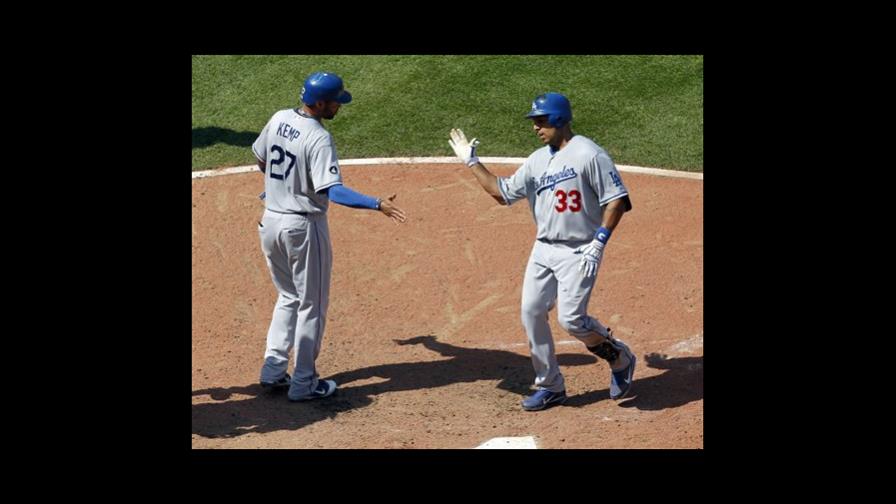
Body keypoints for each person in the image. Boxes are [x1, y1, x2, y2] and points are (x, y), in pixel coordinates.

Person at [448, 92, 636, 411]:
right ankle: (550, 385)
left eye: (542, 120)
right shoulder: (537, 160)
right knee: (531, 311)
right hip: (543, 249)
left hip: (580, 250)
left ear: (560, 119)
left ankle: (619, 357)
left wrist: (599, 242)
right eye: (534, 121)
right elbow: (502, 193)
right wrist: (472, 161)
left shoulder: (589, 154)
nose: (536, 127)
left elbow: (616, 199)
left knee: (572, 320)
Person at [252, 71, 407, 402]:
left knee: (288, 297)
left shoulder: (279, 118)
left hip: (271, 221)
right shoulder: (318, 137)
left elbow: (261, 158)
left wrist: (280, 189)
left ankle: (273, 370)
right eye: (336, 101)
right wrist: (376, 203)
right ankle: (304, 383)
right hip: (303, 228)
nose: (339, 105)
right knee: (312, 305)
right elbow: (332, 191)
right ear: (319, 103)